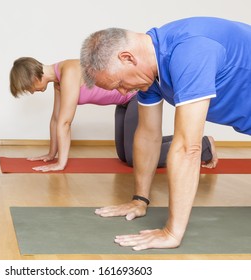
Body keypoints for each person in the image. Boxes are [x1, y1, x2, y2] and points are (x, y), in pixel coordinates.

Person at [80, 17, 251, 251]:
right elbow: (148, 134)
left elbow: (188, 148)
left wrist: (171, 232)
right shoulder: (152, 71)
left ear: (128, 58)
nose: (122, 92)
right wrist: (139, 200)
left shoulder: (190, 51)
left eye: (119, 83)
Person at [9, 57, 217, 172]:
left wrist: (61, 163)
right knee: (125, 155)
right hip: (123, 103)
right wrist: (51, 153)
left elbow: (65, 122)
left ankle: (203, 146)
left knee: (136, 157)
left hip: (137, 97)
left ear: (33, 77)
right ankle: (195, 141)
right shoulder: (58, 81)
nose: (31, 91)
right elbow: (56, 119)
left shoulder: (69, 71)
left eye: (28, 87)